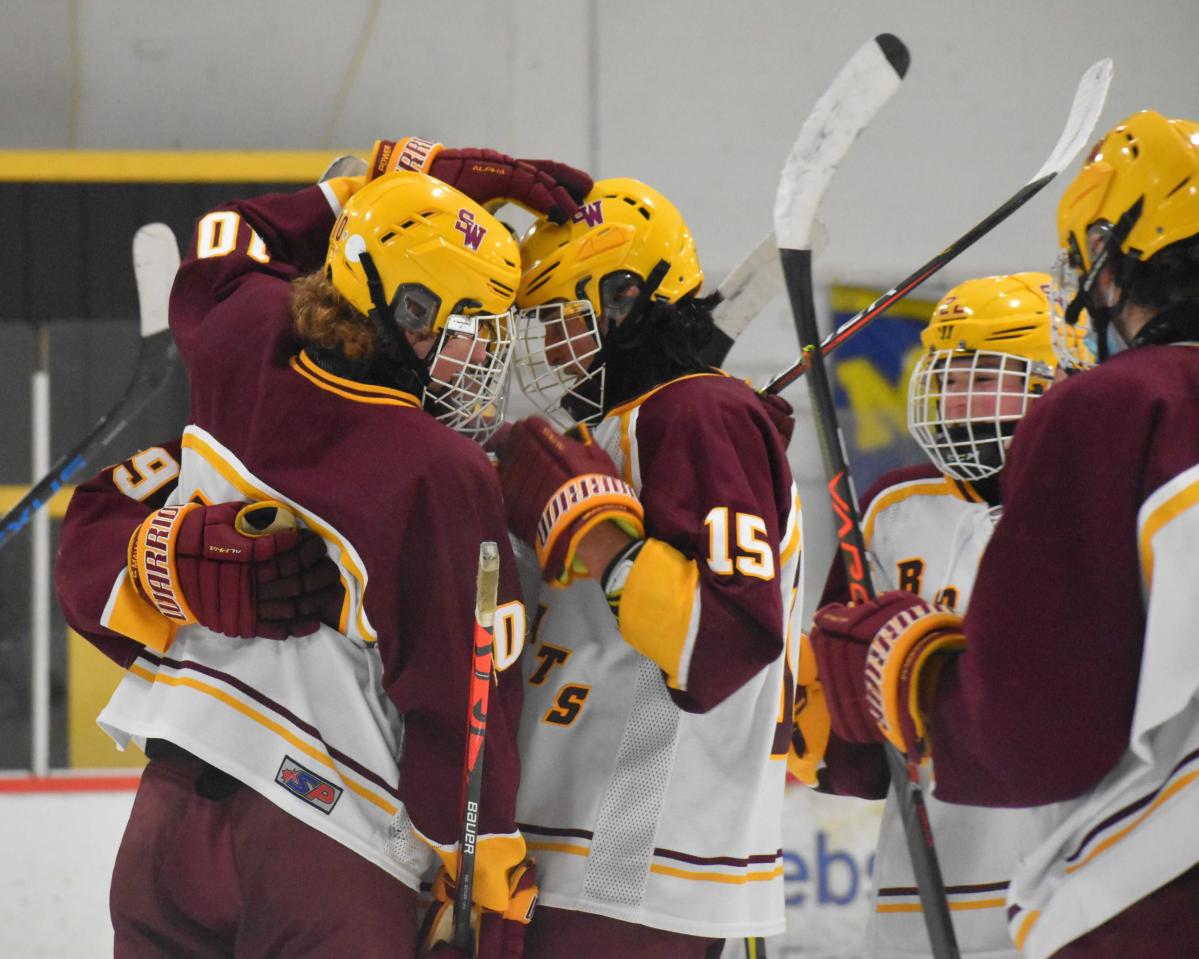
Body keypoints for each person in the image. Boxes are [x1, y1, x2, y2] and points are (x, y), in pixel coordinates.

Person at [54, 142, 593, 958]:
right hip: (325, 834)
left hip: (166, 816)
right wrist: (484, 866)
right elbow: (463, 700)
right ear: (408, 310)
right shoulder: (440, 468)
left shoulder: (241, 331)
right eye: (471, 330)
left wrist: (368, 182)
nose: (480, 360)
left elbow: (232, 233)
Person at [806, 109, 1199, 959]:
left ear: (1113, 247)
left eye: (997, 381)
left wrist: (907, 675)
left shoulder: (1118, 409)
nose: (973, 409)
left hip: (1141, 871)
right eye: (958, 383)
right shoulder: (896, 512)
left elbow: (1034, 726)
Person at [487, 178, 803, 957]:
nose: (544, 348)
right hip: (571, 855)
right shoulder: (619, 424)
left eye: (557, 320)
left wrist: (599, 537)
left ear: (623, 297)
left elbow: (723, 641)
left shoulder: (698, 411)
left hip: (631, 862)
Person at [792, 273, 1087, 958]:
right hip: (925, 872)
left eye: (982, 375)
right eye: (947, 375)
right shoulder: (892, 506)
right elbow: (837, 688)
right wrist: (830, 726)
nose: (956, 397)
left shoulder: (1095, 498)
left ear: (1059, 379)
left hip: (1064, 860)